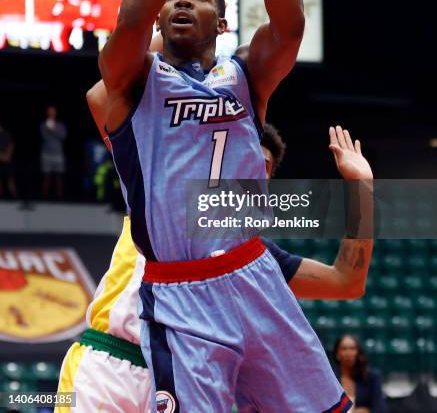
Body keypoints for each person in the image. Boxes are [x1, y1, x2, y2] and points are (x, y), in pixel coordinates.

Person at [97, 0, 354, 411]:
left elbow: (289, 29)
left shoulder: (244, 76)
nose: (182, 0)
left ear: (223, 18)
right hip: (180, 293)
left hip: (253, 274)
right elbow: (130, 22)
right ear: (160, 20)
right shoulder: (132, 82)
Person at [58, 61, 372, 411]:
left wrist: (363, 190)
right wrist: (176, 28)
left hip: (188, 383)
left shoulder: (255, 263)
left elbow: (347, 281)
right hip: (109, 365)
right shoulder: (158, 184)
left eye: (264, 167)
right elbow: (101, 96)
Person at [334, 335, 387, 413]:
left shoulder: (372, 377)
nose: (348, 353)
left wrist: (366, 411)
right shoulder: (331, 378)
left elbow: (380, 408)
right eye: (344, 349)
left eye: (352, 348)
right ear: (337, 354)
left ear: (358, 352)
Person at [40, 105, 67, 200]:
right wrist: (50, 130)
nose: (51, 113)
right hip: (46, 153)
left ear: (55, 113)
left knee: (58, 176)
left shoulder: (60, 125)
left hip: (58, 153)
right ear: (47, 113)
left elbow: (63, 136)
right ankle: (44, 197)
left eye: (53, 111)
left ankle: (59, 197)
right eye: (49, 111)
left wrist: (52, 130)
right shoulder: (43, 125)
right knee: (46, 176)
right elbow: (44, 137)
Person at [0, 122, 17, 199]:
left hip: (7, 160)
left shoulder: (6, 134)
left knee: (10, 178)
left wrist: (8, 155)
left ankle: (14, 196)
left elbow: (11, 145)